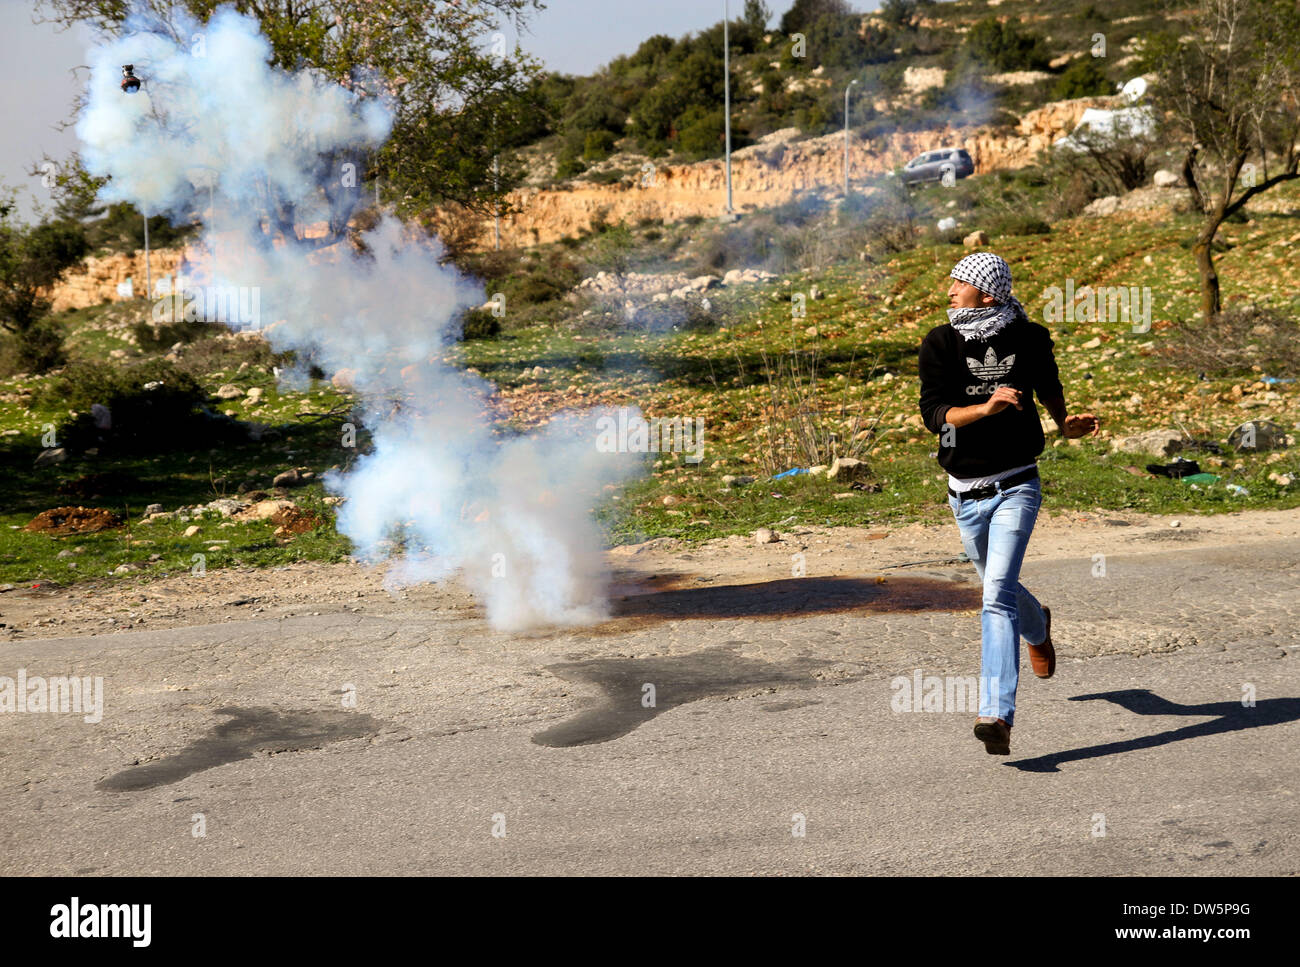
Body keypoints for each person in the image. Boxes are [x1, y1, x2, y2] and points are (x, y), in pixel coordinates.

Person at [918, 252, 1100, 755]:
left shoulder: (1029, 338)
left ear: (989, 293)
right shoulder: (940, 341)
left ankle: (996, 714)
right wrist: (987, 406)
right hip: (963, 495)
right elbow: (936, 415)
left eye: (961, 283)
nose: (950, 289)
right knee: (1000, 587)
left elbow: (1050, 388)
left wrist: (1066, 423)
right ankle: (1037, 626)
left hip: (1017, 485)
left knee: (994, 594)